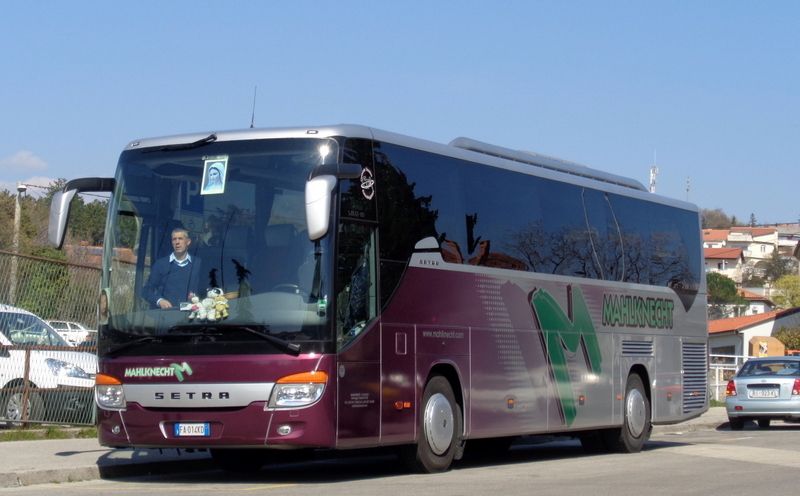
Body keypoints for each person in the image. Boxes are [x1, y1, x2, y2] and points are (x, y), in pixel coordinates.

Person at [143, 228, 204, 309]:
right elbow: (146, 291)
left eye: (180, 238)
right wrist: (159, 301)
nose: (177, 242)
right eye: (174, 239)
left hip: (192, 314)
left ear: (188, 242)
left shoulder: (198, 264)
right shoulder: (160, 264)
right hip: (166, 314)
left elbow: (204, 289)